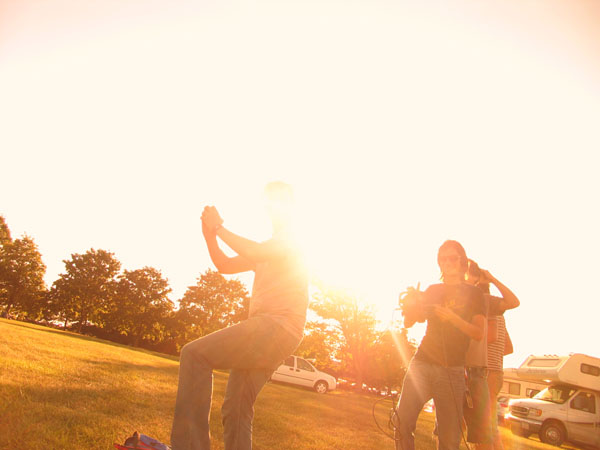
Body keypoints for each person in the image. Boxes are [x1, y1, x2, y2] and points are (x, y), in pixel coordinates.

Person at [170, 181, 308, 450]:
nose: (274, 207)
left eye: (280, 201)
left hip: (276, 327)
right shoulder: (269, 247)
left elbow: (254, 251)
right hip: (272, 334)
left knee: (195, 355)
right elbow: (224, 265)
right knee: (236, 408)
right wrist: (209, 236)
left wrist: (219, 228)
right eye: (270, 201)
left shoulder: (293, 240)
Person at [394, 240, 486, 450]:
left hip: (452, 370)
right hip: (422, 363)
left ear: (462, 261)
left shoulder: (475, 294)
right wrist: (411, 304)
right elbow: (409, 322)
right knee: (402, 421)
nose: (448, 262)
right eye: (443, 259)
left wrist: (452, 318)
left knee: (450, 440)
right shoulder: (433, 290)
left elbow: (478, 333)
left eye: (452, 258)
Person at [465, 260, 520, 450]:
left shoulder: (485, 305)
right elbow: (508, 347)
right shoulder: (499, 313)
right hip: (494, 372)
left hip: (487, 373)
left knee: (484, 429)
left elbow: (491, 336)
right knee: (488, 428)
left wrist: (474, 349)